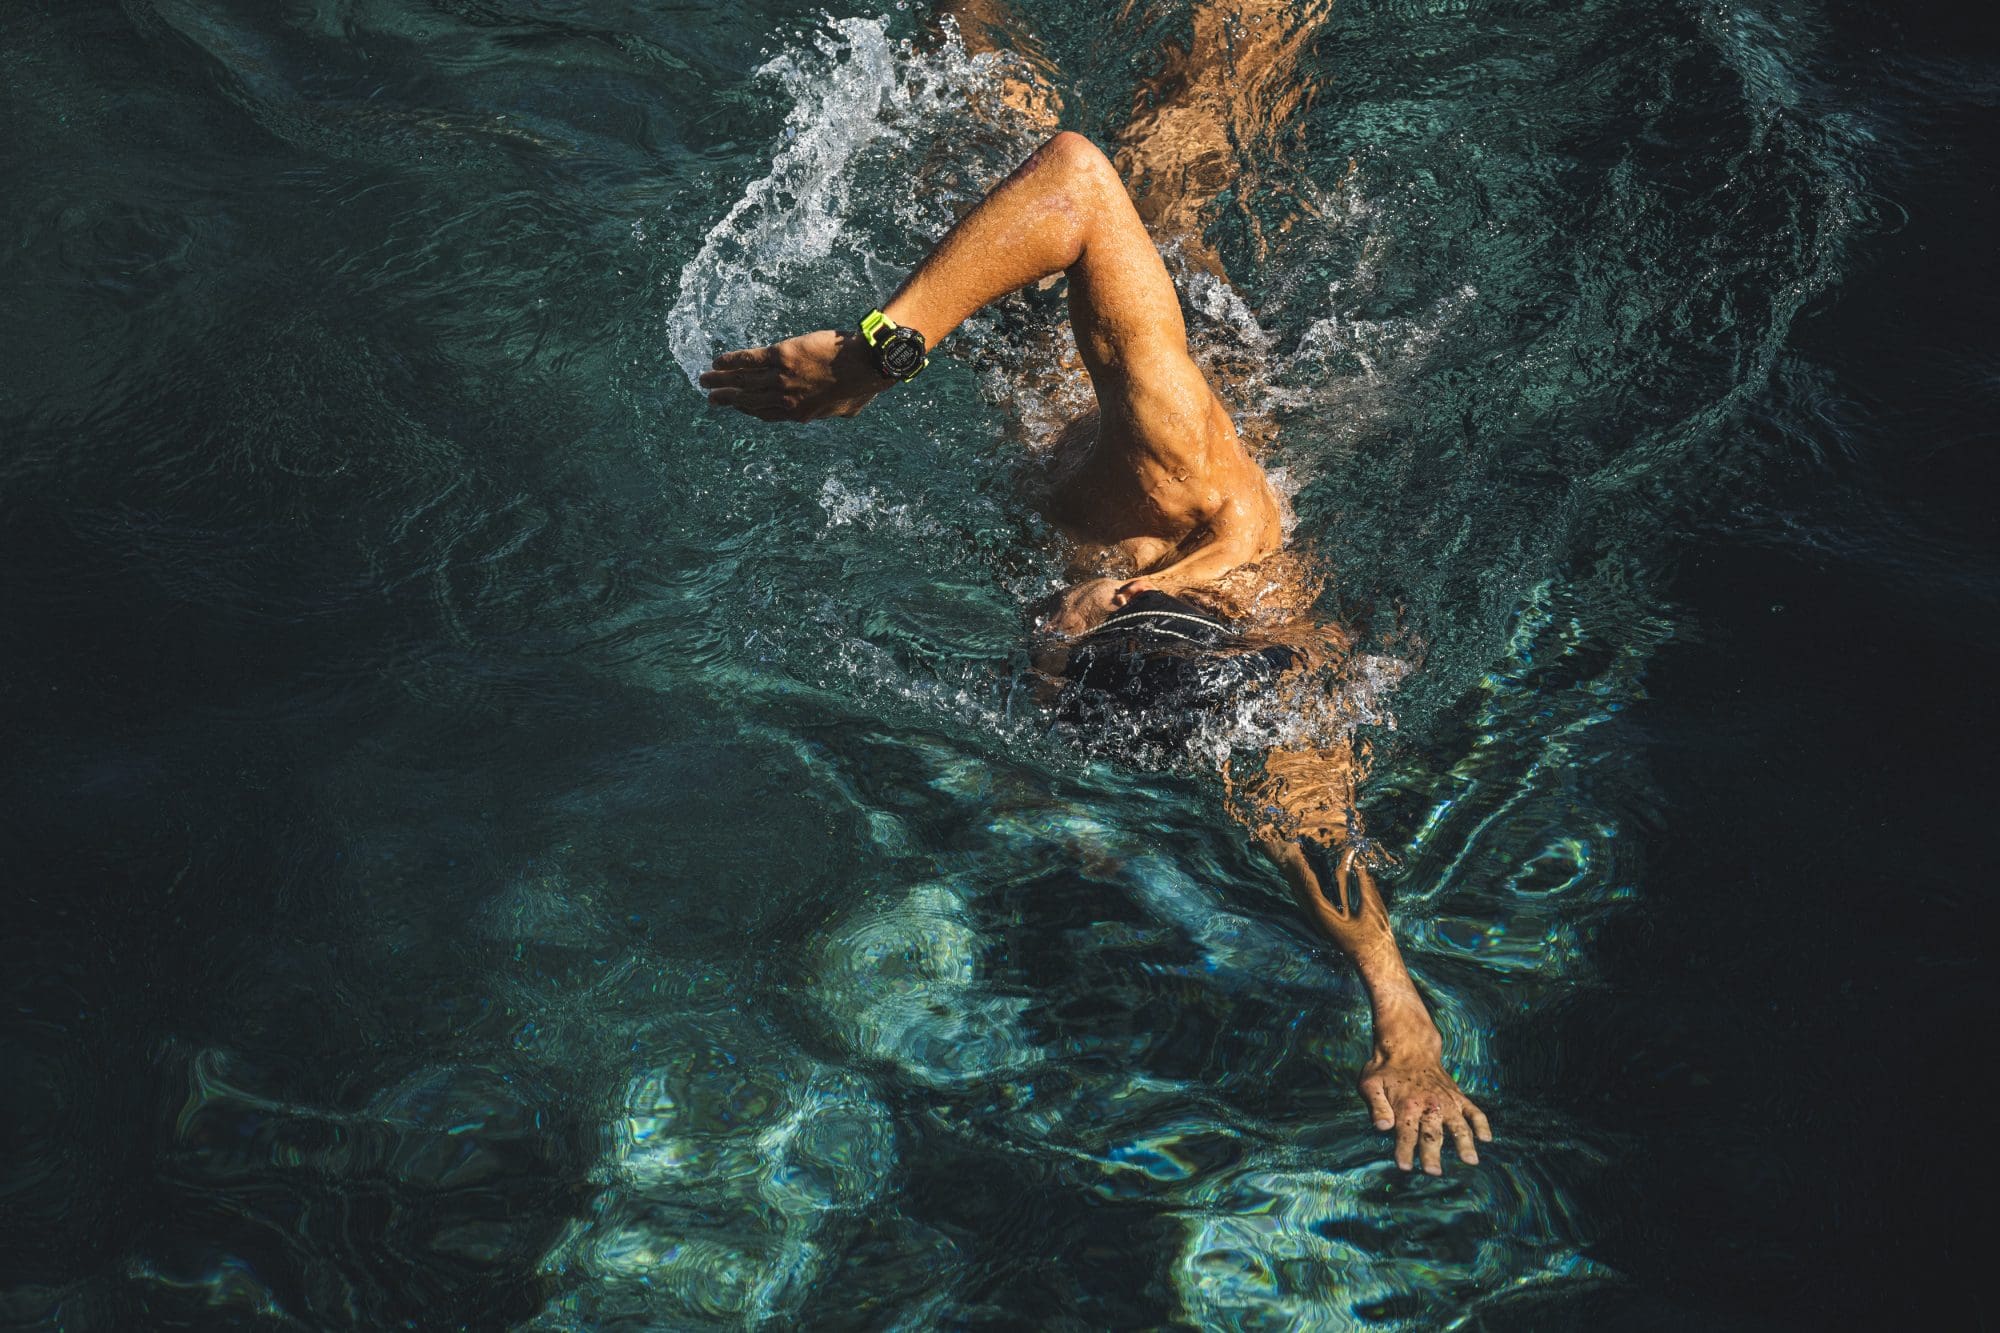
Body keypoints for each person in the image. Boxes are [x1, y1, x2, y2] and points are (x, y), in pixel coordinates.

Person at [698, 129, 1491, 1177]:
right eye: (1058, 653)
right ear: (1111, 599)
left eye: (1051, 663)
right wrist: (871, 354)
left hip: (1072, 366)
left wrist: (1398, 1006)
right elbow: (1072, 174)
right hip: (1147, 303)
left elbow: (1307, 820)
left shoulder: (1237, 680)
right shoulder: (1164, 473)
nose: (1042, 649)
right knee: (1152, 105)